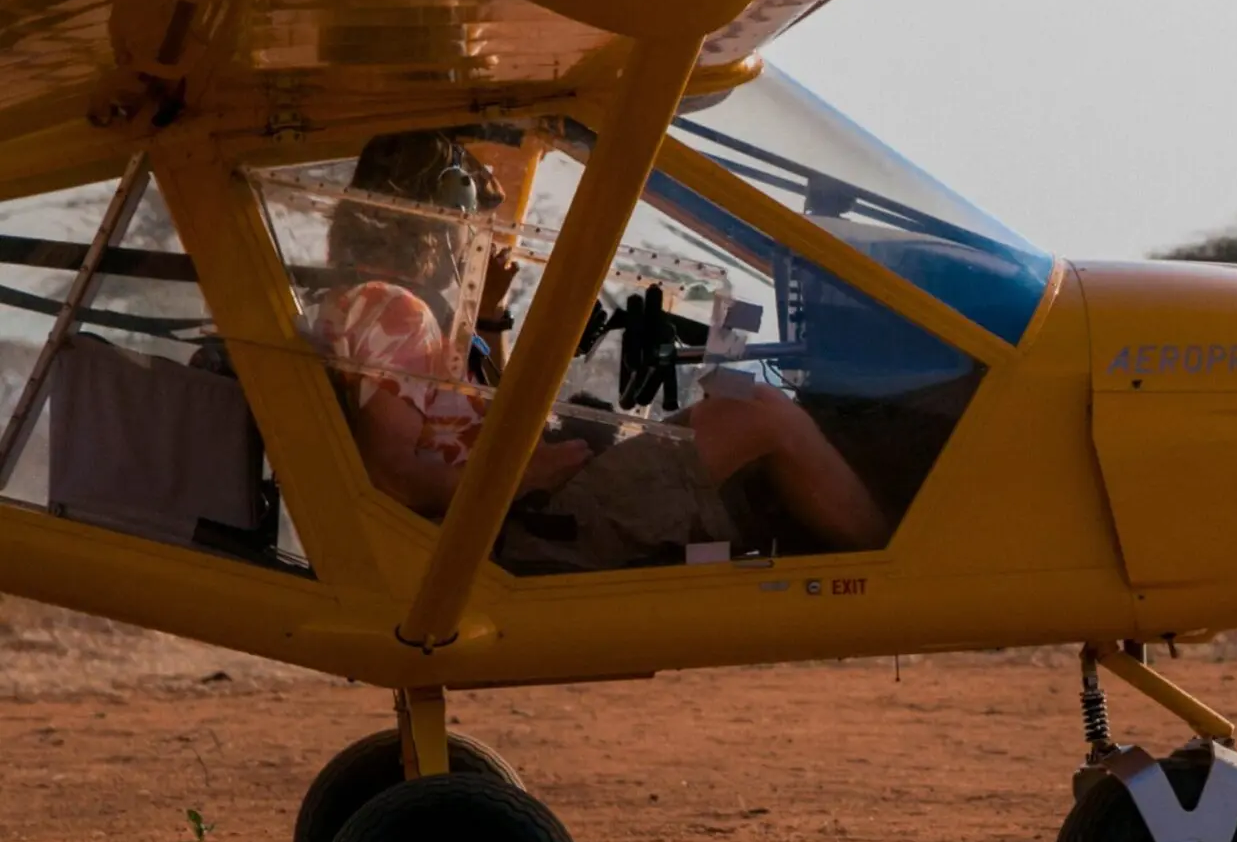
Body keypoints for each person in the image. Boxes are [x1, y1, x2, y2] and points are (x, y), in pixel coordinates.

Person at [307, 130, 888, 569]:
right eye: (470, 221)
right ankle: (888, 562)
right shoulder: (395, 310)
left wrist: (489, 317)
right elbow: (394, 480)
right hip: (523, 529)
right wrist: (527, 477)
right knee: (757, 411)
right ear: (434, 220)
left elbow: (490, 422)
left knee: (734, 416)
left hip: (527, 505)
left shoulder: (363, 303)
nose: (473, 237)